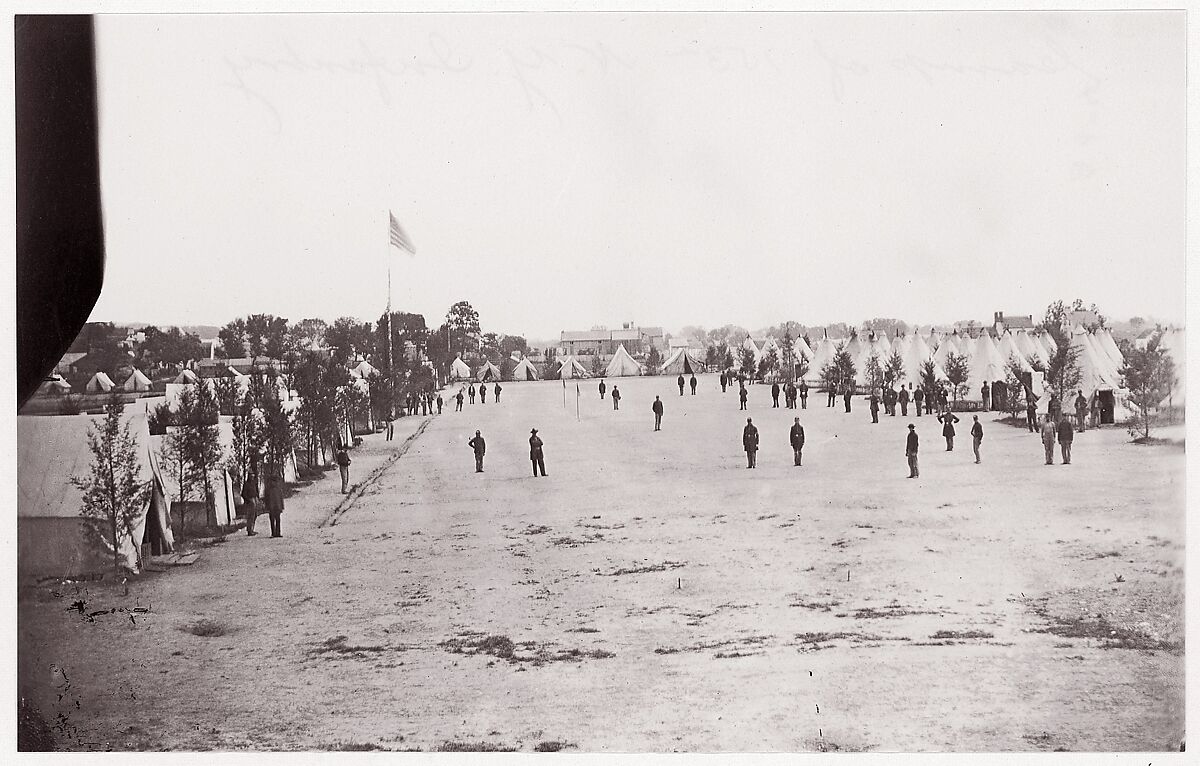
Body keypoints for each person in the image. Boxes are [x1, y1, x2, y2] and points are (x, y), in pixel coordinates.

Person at [264, 468, 284, 538]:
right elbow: (281, 498)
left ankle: (274, 533)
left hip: (272, 507)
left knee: (273, 520)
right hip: (276, 506)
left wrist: (267, 506)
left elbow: (266, 498)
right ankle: (277, 533)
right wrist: (282, 506)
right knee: (277, 520)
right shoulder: (278, 488)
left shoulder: (269, 488)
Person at [240, 466, 259, 536]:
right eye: (251, 475)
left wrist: (257, 498)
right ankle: (249, 530)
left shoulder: (253, 483)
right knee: (250, 516)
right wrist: (248, 500)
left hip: (254, 499)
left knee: (255, 515)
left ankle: (252, 529)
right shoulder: (246, 484)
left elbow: (255, 492)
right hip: (250, 501)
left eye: (253, 474)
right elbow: (243, 494)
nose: (252, 476)